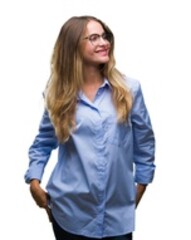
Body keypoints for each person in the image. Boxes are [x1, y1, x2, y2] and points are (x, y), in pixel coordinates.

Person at [26, 15, 156, 240]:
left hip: (117, 217)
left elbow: (144, 143)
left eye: (105, 37)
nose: (103, 43)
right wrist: (34, 182)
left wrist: (141, 186)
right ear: (73, 45)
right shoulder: (58, 95)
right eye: (93, 38)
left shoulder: (129, 90)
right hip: (69, 214)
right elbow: (43, 142)